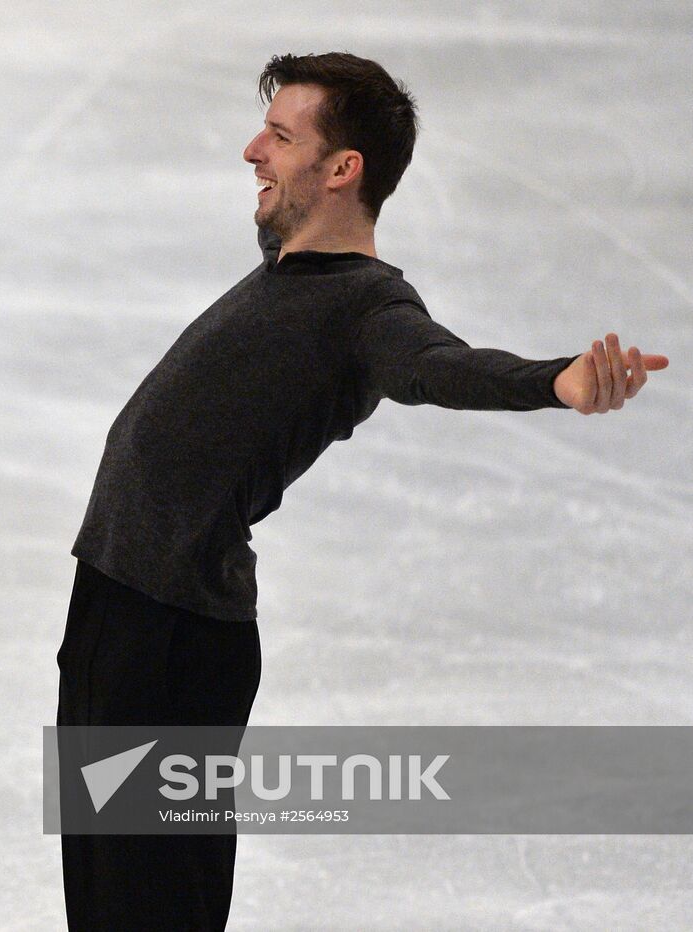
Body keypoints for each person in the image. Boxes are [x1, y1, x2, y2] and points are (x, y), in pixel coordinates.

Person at [56, 52, 668, 931]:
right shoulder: (289, 278)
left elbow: (437, 368)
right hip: (116, 614)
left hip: (170, 643)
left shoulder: (369, 311)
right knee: (111, 909)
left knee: (149, 911)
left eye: (279, 136)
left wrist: (555, 380)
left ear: (343, 170)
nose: (250, 153)